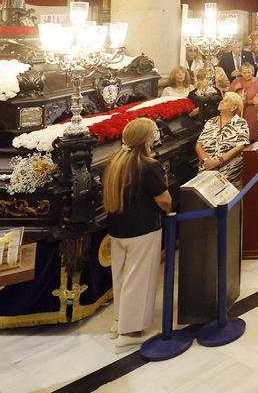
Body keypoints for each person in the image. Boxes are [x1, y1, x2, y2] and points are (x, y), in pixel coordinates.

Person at [103, 118, 171, 352]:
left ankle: (120, 321)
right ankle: (131, 333)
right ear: (147, 139)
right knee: (139, 280)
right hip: (142, 229)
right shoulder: (149, 165)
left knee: (122, 278)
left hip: (118, 230)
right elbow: (164, 200)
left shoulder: (115, 161)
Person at [195, 91, 251, 186]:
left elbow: (240, 146)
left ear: (233, 107)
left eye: (226, 101)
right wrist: (206, 161)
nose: (221, 101)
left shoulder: (241, 123)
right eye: (222, 100)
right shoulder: (210, 122)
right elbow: (199, 144)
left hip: (228, 175)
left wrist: (217, 162)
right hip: (206, 172)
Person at [229, 63, 258, 140]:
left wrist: (247, 102)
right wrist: (234, 89)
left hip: (253, 112)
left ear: (252, 72)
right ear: (241, 73)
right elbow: (228, 96)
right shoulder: (236, 81)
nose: (247, 75)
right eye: (244, 73)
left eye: (249, 72)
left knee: (252, 134)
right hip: (239, 112)